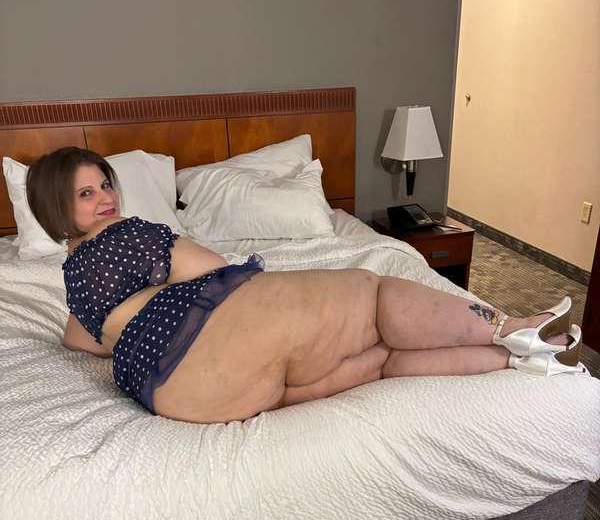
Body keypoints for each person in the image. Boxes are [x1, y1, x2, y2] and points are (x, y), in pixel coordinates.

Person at [26, 147, 586, 424]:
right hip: (217, 342)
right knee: (374, 297)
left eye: (106, 185)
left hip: (184, 397)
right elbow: (213, 266)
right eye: (86, 193)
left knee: (382, 362)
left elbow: (81, 340)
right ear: (58, 207)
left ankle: (519, 361)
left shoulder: (74, 275)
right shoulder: (129, 232)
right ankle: (511, 329)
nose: (106, 198)